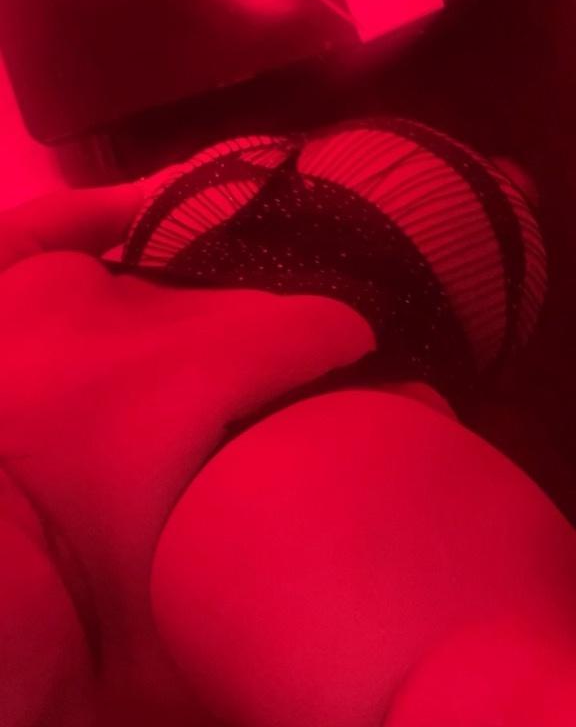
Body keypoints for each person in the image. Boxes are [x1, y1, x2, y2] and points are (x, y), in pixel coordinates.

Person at [0, 118, 573, 727]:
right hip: (215, 206)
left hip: (388, 229)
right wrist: (146, 191)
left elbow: (478, 675)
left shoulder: (239, 525)